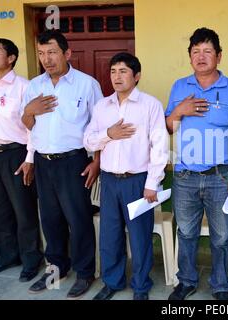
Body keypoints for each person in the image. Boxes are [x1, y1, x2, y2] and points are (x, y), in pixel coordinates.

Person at [20, 29, 103, 299]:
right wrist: (29, 111)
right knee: (51, 219)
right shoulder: (34, 86)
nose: (47, 59)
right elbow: (27, 127)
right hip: (44, 163)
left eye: (52, 52)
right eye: (42, 54)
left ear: (67, 53)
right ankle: (56, 268)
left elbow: (99, 126)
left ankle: (84, 272)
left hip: (74, 161)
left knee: (78, 220)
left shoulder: (86, 84)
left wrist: (97, 162)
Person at [165, 27, 228, 300]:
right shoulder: (179, 86)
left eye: (207, 51)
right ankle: (186, 280)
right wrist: (179, 111)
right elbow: (167, 127)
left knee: (221, 236)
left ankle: (221, 285)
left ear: (219, 56)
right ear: (189, 57)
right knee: (186, 232)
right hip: (185, 176)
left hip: (221, 177)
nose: (201, 57)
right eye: (195, 52)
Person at [84, 52, 169, 300]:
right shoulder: (102, 107)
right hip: (109, 180)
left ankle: (141, 285)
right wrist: (108, 134)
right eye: (113, 71)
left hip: (138, 181)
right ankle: (112, 281)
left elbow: (160, 147)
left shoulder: (150, 105)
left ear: (137, 76)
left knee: (140, 236)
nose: (117, 76)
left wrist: (152, 184)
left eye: (123, 71)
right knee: (110, 234)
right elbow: (88, 140)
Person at [0, 38, 43, 282]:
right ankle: (6, 257)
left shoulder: (25, 87)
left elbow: (32, 128)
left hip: (17, 154)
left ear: (11, 58)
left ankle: (30, 260)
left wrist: (30, 158)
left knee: (23, 210)